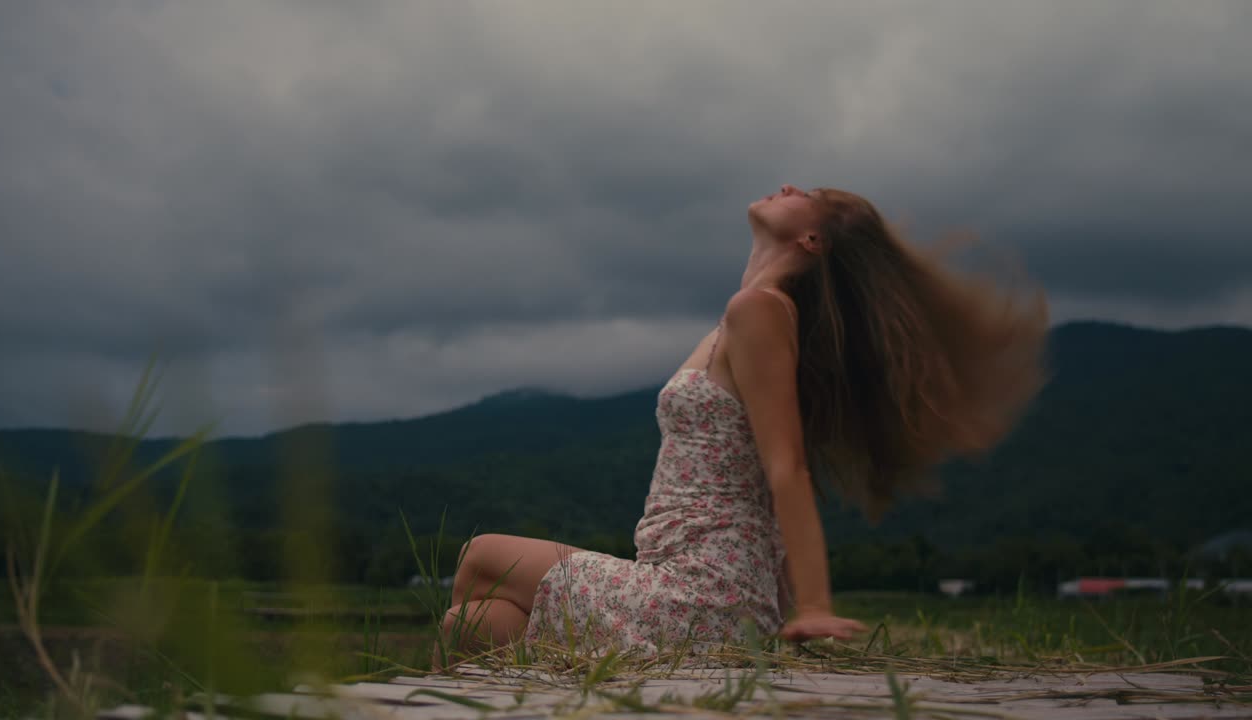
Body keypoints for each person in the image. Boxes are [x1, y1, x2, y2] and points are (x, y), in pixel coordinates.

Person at [436, 184, 1048, 663]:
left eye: (805, 194)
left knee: (482, 554)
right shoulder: (744, 321)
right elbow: (763, 481)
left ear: (813, 238)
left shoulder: (759, 312)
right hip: (682, 578)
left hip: (704, 591)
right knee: (472, 625)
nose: (785, 185)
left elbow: (788, 468)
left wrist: (811, 607)